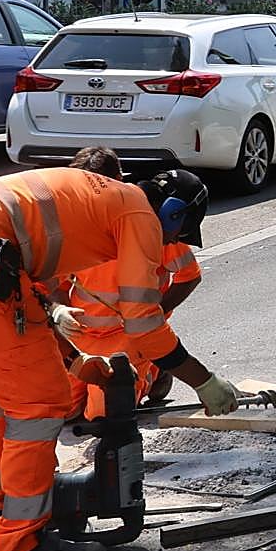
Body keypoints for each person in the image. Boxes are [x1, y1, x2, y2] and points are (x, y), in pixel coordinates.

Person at [0, 166, 240, 551]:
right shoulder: (139, 216)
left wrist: (76, 359)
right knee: (40, 409)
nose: (171, 243)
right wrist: (203, 380)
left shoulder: (100, 200)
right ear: (173, 214)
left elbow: (29, 290)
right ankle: (19, 546)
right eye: (177, 233)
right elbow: (143, 322)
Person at [47, 147, 202, 421]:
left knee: (104, 414)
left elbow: (188, 275)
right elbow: (54, 283)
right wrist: (60, 311)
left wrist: (154, 320)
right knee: (60, 410)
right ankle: (152, 363)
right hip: (82, 336)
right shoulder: (77, 224)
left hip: (127, 337)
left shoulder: (147, 221)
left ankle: (155, 367)